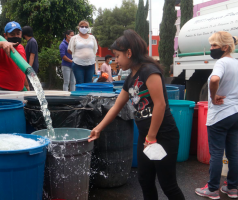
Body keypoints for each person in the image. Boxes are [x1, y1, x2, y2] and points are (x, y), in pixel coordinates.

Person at [88, 30, 185, 200]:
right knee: (145, 180)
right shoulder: (130, 77)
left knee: (168, 185)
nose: (116, 60)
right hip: (146, 136)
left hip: (163, 135)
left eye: (117, 56)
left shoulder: (149, 71)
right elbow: (116, 106)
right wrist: (98, 128)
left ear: (129, 53)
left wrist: (152, 136)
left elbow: (160, 105)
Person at [195, 32, 238, 200]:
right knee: (233, 152)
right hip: (235, 113)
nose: (211, 49)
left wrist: (213, 97)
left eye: (214, 46)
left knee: (217, 152)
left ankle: (212, 189)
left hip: (220, 114)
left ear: (225, 47)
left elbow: (214, 80)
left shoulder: (222, 62)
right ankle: (232, 187)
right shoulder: (236, 62)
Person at [0, 21, 30, 91]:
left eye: (18, 34)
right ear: (5, 35)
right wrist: (3, 43)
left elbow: (21, 67)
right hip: (3, 91)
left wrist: (26, 85)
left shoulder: (21, 47)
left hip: (19, 91)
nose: (16, 36)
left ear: (21, 34)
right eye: (12, 34)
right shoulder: (1, 47)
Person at [68, 20, 98, 84]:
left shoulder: (92, 37)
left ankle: (88, 94)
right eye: (82, 26)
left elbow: (95, 49)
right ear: (78, 28)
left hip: (90, 63)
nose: (84, 28)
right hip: (78, 64)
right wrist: (77, 55)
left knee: (89, 83)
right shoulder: (74, 38)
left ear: (88, 28)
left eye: (86, 27)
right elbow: (69, 50)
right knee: (80, 83)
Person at [22, 26, 39, 90]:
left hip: (32, 67)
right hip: (30, 66)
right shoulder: (30, 41)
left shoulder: (32, 41)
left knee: (31, 85)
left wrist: (29, 68)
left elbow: (32, 55)